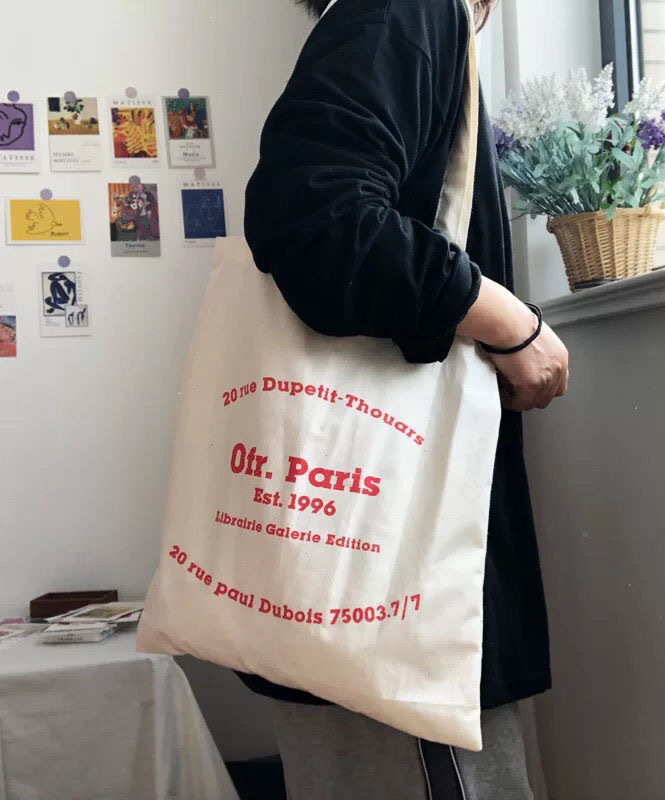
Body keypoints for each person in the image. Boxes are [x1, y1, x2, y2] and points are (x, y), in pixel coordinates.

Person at [240, 0, 569, 796]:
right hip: (397, 603)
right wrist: (510, 323)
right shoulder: (407, 7)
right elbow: (317, 214)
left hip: (368, 588)